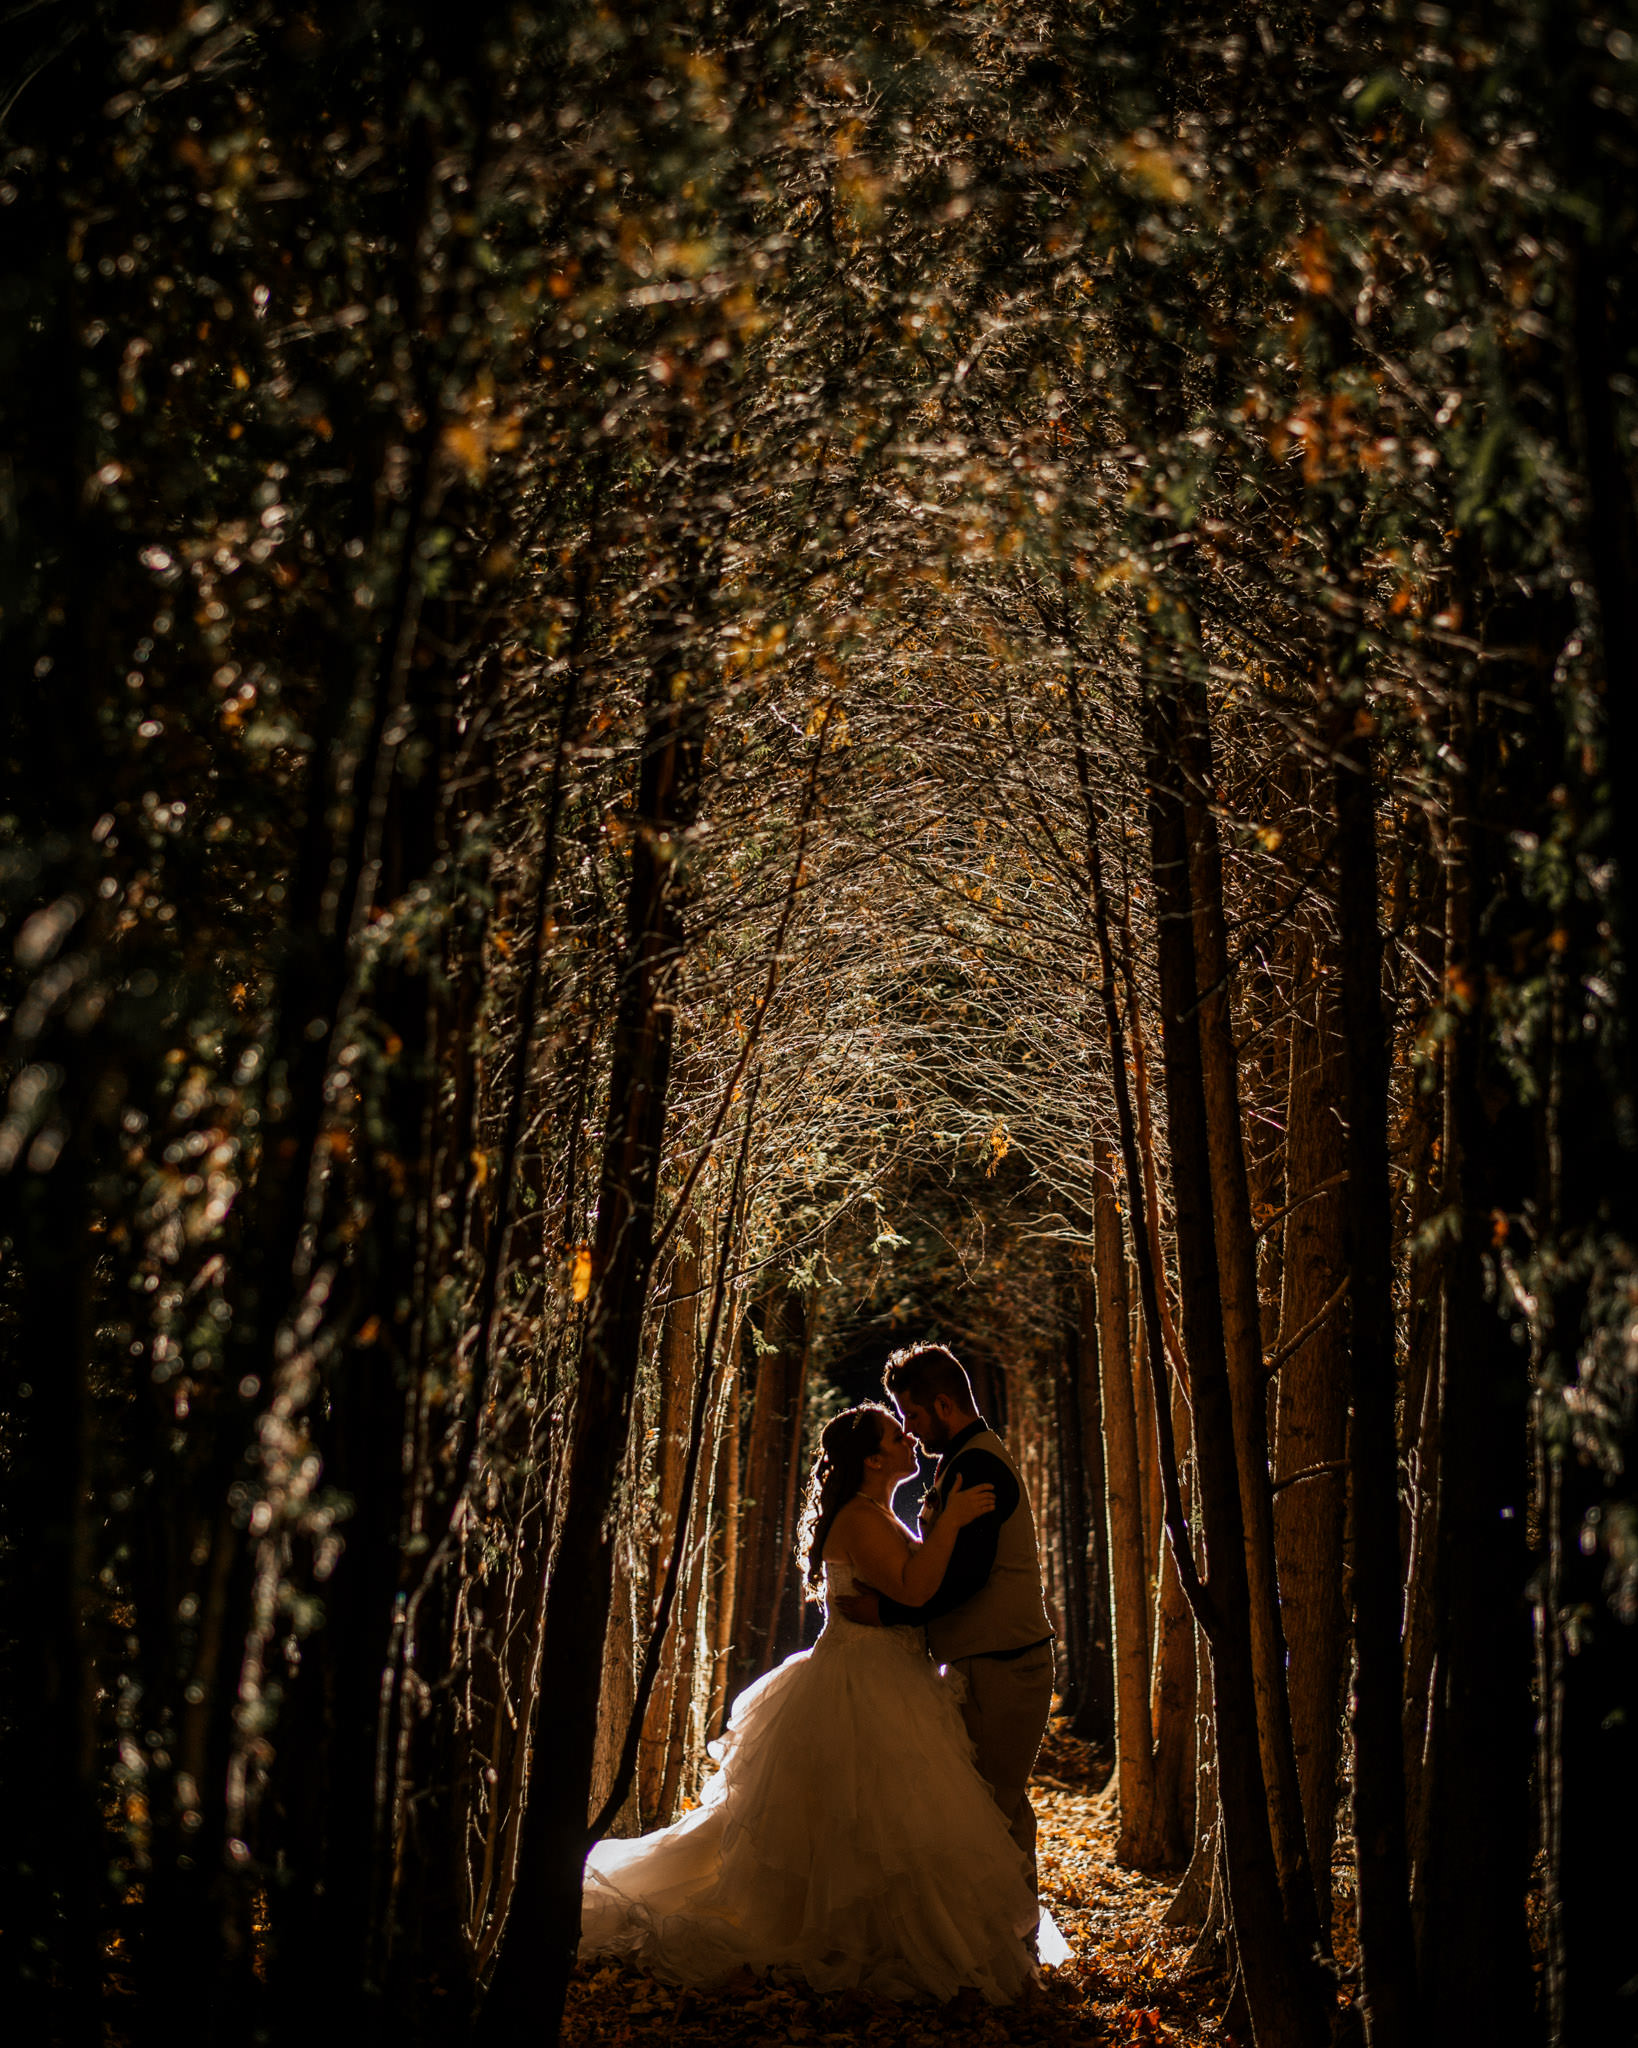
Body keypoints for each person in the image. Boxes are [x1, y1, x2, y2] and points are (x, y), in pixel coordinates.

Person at [579, 1402, 1064, 2001]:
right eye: (895, 1434)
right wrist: (953, 1522)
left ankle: (883, 1935)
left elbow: (907, 1587)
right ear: (872, 1459)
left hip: (895, 1673)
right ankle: (860, 1940)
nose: (908, 1437)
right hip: (864, 1679)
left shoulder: (874, 1512)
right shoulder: (860, 1519)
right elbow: (915, 1586)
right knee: (867, 1816)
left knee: (891, 1818)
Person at [835, 1344, 1055, 1906]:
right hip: (979, 1663)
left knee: (994, 1808)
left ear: (941, 1404)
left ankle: (1011, 1945)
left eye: (911, 1415)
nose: (910, 1431)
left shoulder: (978, 1464)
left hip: (1005, 1665)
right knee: (985, 1804)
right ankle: (1003, 1940)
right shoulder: (961, 1461)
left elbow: (964, 1579)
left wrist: (887, 1613)